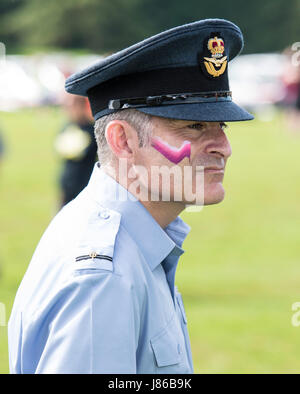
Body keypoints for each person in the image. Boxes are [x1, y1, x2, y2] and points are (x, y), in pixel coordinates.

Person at [8, 18, 254, 374]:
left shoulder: (132, 240)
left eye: (222, 126)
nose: (223, 148)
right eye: (194, 126)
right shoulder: (103, 279)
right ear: (122, 141)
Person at [54, 94, 97, 207]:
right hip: (68, 181)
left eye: (72, 105)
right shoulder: (68, 126)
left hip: (83, 182)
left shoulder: (91, 129)